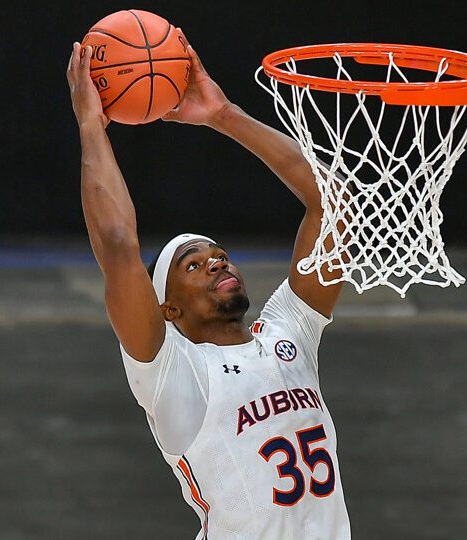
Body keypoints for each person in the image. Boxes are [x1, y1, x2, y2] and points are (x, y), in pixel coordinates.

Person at [66, 32, 351, 539]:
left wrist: (223, 115)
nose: (217, 263)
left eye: (219, 255)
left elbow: (333, 203)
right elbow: (116, 244)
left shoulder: (288, 335)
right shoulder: (175, 372)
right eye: (193, 266)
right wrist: (92, 124)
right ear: (168, 309)